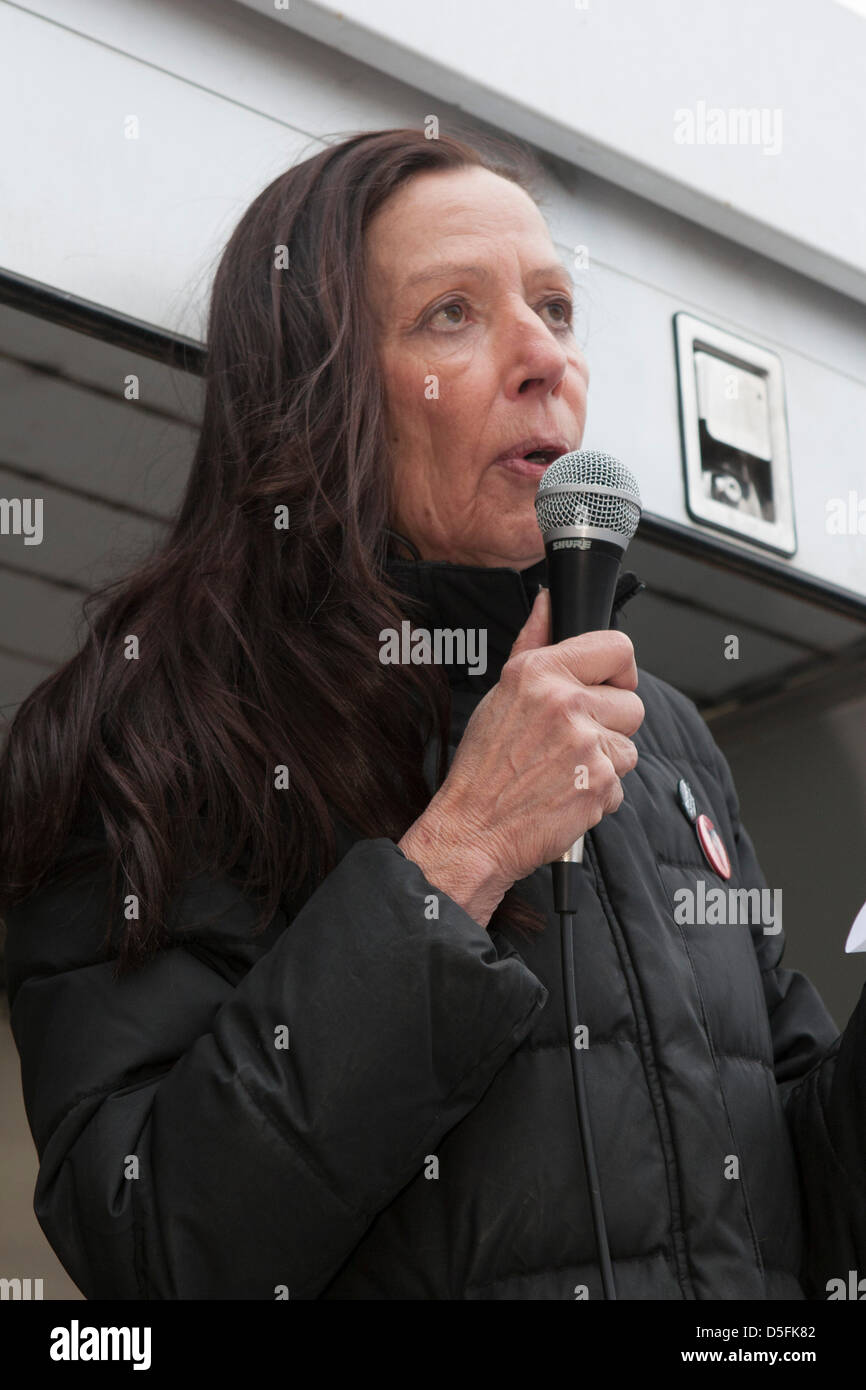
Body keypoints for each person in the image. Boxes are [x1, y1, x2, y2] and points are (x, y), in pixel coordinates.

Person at [2, 127, 864, 1301]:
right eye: (451, 314)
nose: (539, 357)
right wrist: (462, 849)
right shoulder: (154, 735)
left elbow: (805, 1214)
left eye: (554, 308)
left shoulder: (664, 744)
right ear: (321, 399)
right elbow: (157, 1249)